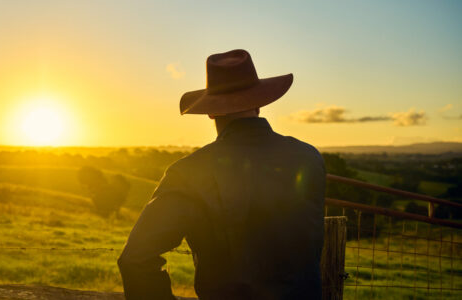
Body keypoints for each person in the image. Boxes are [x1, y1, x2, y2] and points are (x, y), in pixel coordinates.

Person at [118, 49, 325, 300]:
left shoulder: (190, 173)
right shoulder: (308, 158)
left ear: (211, 111)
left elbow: (136, 259)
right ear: (260, 103)